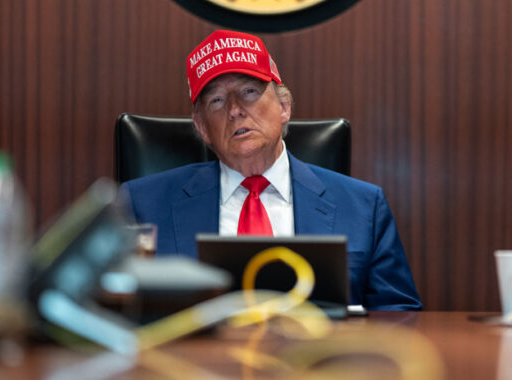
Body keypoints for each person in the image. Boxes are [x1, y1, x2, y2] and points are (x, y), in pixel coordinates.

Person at [122, 30, 422, 311]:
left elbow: (399, 316)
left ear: (284, 107)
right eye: (216, 100)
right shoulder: (143, 204)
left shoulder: (364, 206)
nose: (235, 109)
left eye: (250, 91)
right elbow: (114, 313)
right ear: (202, 129)